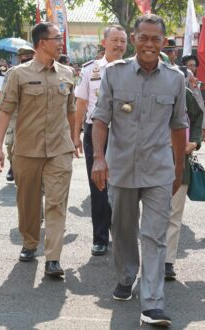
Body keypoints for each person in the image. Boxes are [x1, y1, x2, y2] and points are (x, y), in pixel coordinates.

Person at [90, 14, 187, 327]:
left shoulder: (175, 78)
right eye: (143, 38)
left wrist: (178, 168)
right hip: (121, 167)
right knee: (122, 230)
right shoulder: (115, 74)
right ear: (134, 39)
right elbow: (101, 118)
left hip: (159, 168)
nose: (149, 44)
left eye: (155, 39)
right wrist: (98, 158)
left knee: (155, 236)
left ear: (163, 42)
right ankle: (126, 276)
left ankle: (153, 303)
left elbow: (178, 125)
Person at [0, 22, 78, 277]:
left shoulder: (67, 73)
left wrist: (75, 139)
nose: (60, 43)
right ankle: (30, 242)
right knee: (28, 202)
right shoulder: (19, 74)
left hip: (59, 149)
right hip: (27, 149)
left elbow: (71, 110)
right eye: (56, 38)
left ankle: (53, 258)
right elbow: (4, 109)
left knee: (56, 202)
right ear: (42, 42)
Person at [73, 25, 127, 256]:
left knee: (125, 187)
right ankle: (100, 237)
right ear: (104, 43)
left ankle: (122, 233)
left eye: (123, 41)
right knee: (99, 187)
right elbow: (81, 104)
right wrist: (75, 134)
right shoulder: (90, 70)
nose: (119, 45)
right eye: (115, 40)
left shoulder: (132, 70)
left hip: (124, 135)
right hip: (95, 133)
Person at [164, 62, 204, 281]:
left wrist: (195, 141)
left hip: (180, 161)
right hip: (148, 162)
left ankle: (167, 262)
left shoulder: (186, 94)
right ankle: (148, 258)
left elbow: (198, 117)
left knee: (173, 213)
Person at [1, 45, 35, 182]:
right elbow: (4, 93)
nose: (25, 59)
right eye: (23, 57)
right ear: (19, 58)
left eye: (28, 57)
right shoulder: (12, 72)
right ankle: (12, 166)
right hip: (14, 114)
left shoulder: (37, 71)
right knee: (10, 144)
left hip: (31, 114)